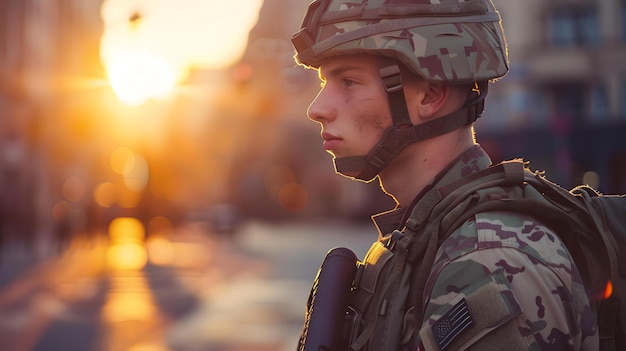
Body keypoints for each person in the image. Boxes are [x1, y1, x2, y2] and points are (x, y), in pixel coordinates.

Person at [290, 0, 598, 350]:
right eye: (324, 82)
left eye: (348, 81)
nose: (317, 108)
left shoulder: (488, 261)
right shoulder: (423, 238)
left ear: (431, 95)